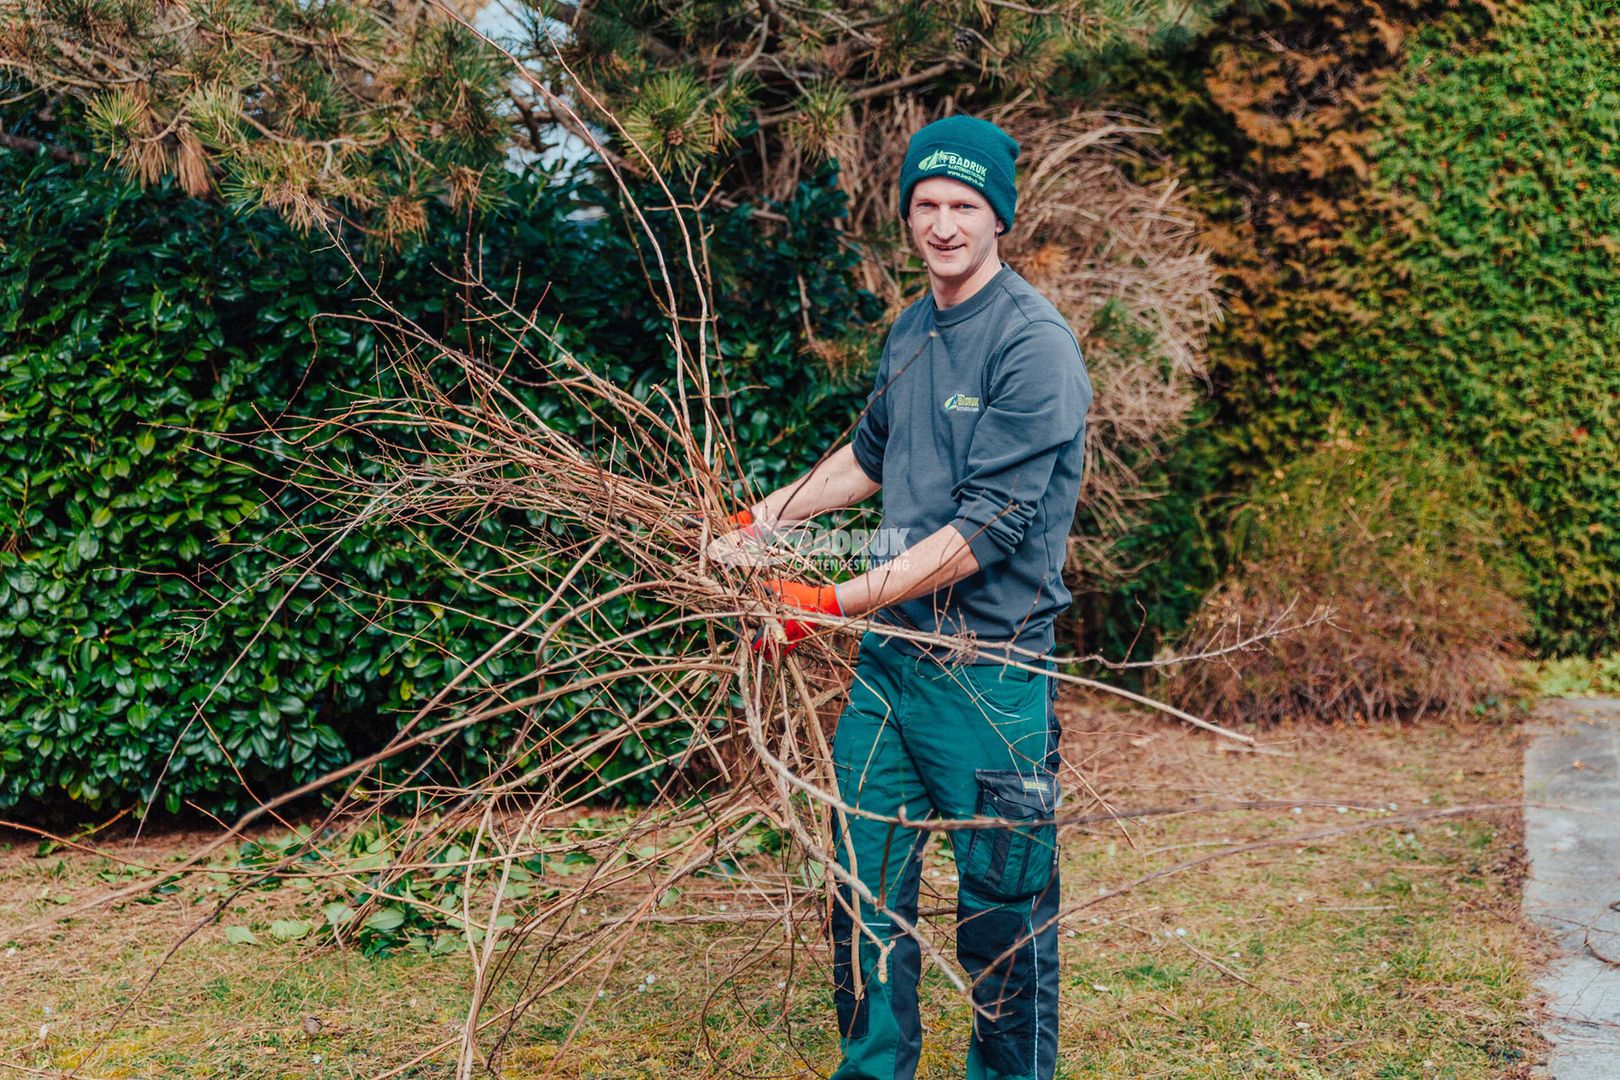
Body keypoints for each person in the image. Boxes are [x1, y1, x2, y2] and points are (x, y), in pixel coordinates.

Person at [725, 115, 1091, 1080]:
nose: (941, 225)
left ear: (999, 216)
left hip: (989, 677)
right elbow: (869, 455)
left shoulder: (1033, 345)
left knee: (1002, 921)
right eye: (926, 204)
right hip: (893, 667)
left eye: (963, 206)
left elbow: (985, 531)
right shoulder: (912, 329)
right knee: (861, 889)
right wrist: (762, 522)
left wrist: (827, 602)